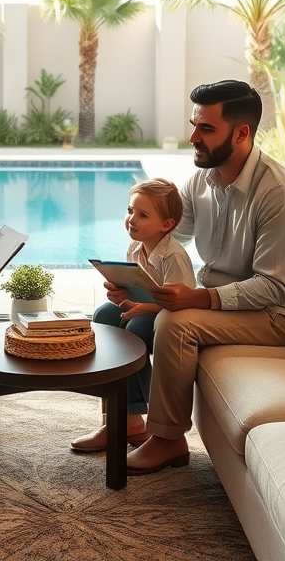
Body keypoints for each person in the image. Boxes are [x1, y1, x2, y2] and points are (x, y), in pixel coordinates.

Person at [117, 80, 285, 476]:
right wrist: (133, 280)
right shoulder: (202, 180)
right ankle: (126, 422)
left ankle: (168, 439)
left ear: (241, 133)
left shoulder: (279, 193)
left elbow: (274, 287)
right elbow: (169, 237)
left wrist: (195, 299)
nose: (193, 137)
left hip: (280, 314)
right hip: (228, 299)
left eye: (206, 129)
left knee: (174, 323)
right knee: (113, 313)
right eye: (194, 125)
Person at [70, 178, 196, 453]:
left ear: (166, 224)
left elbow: (182, 305)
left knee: (135, 329)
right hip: (143, 308)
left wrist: (144, 309)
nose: (131, 220)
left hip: (169, 315)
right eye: (130, 211)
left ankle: (139, 414)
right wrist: (120, 295)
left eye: (142, 215)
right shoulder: (135, 249)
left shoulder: (173, 257)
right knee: (103, 316)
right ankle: (126, 419)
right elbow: (137, 289)